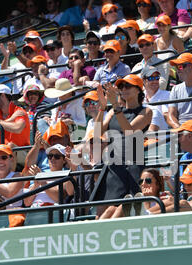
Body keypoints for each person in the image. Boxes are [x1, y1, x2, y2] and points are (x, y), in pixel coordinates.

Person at [90, 75, 152, 216]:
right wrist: (102, 107)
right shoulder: (113, 111)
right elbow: (98, 131)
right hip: (113, 167)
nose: (123, 89)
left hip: (133, 167)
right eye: (121, 86)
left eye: (128, 86)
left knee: (123, 212)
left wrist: (116, 107)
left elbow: (129, 130)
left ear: (138, 90)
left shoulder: (146, 111)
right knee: (101, 213)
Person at [0, 84, 30, 167]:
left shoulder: (19, 111)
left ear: (3, 96)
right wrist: (10, 119)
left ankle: (8, 179)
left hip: (22, 152)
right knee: (0, 152)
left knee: (9, 147)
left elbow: (17, 128)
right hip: (0, 153)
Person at [24, 144, 75, 209]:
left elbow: (58, 197)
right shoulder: (39, 173)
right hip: (35, 209)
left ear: (64, 160)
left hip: (53, 210)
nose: (52, 159)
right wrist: (35, 186)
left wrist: (42, 182)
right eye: (50, 156)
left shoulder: (66, 175)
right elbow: (27, 202)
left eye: (57, 156)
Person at [141, 66, 170, 132]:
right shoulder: (139, 96)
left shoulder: (167, 95)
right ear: (144, 80)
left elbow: (166, 116)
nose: (155, 81)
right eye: (151, 78)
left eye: (157, 78)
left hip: (161, 133)